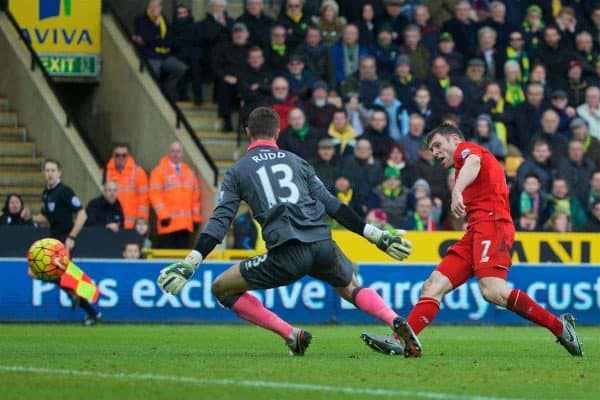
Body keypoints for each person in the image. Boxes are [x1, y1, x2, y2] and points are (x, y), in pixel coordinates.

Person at [157, 107, 420, 357]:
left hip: (287, 252)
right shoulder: (298, 162)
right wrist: (376, 236)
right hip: (322, 242)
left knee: (221, 289)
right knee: (350, 287)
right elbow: (333, 205)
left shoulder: (238, 171)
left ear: (248, 132)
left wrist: (192, 261)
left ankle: (291, 334)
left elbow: (220, 222)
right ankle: (392, 318)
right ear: (278, 132)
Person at [362, 123, 583, 357]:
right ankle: (401, 342)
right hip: (476, 231)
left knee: (493, 291)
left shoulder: (467, 150)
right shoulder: (461, 166)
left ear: (455, 140)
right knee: (432, 285)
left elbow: (473, 162)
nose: (435, 153)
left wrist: (456, 190)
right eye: (431, 149)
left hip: (493, 225)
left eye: (438, 145)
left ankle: (560, 327)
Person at [149, 141, 201, 248]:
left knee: (181, 260)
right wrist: (163, 215)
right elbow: (155, 195)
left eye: (178, 151)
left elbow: (195, 198)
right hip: (168, 225)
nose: (175, 154)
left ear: (182, 154)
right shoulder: (159, 171)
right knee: (166, 258)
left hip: (185, 226)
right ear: (168, 153)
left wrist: (196, 218)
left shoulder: (189, 173)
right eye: (173, 151)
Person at [133, 0, 187, 101]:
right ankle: (156, 98)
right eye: (154, 5)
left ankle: (167, 93)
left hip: (165, 54)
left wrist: (157, 40)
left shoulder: (163, 19)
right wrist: (155, 26)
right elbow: (146, 38)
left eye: (158, 5)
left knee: (181, 68)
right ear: (149, 6)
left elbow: (169, 38)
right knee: (154, 72)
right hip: (151, 54)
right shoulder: (141, 18)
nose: (156, 8)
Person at [33, 159, 87, 251]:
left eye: (53, 170)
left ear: (59, 173)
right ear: (44, 173)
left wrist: (71, 237)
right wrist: (31, 218)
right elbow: (46, 216)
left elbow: (82, 214)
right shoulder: (46, 192)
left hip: (65, 239)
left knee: (62, 265)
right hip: (53, 239)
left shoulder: (64, 191)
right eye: (47, 170)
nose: (50, 174)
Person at [103, 143, 149, 230]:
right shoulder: (106, 172)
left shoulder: (139, 173)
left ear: (128, 156)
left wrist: (142, 225)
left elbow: (144, 202)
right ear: (113, 156)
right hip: (112, 225)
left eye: (124, 155)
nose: (121, 158)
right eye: (117, 155)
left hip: (131, 226)